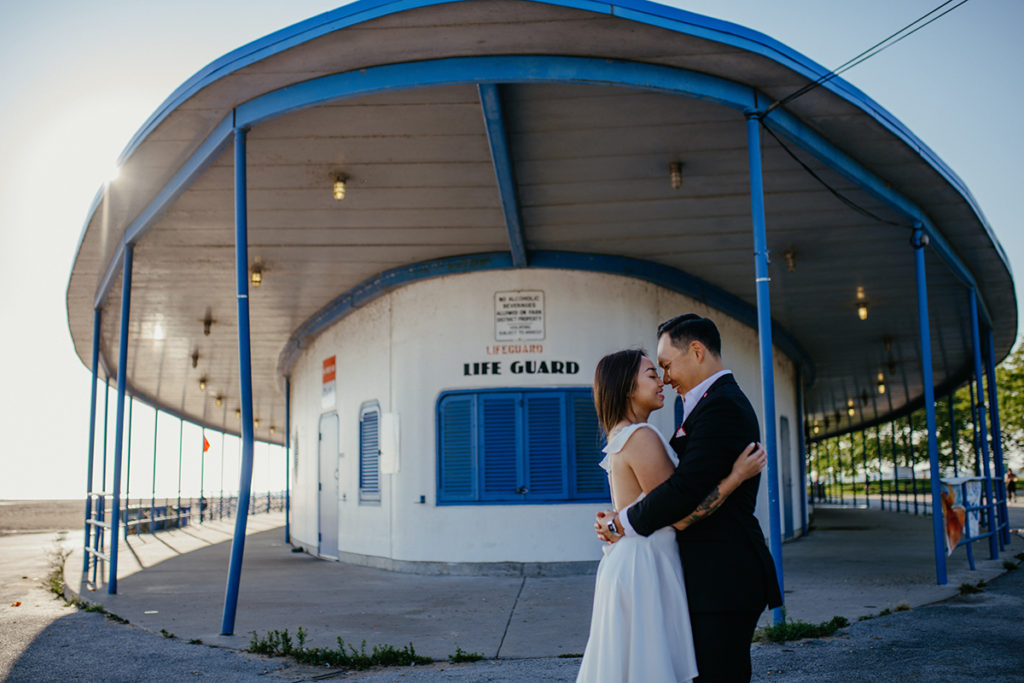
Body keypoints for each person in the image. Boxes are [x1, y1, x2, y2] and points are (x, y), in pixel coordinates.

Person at [595, 314, 783, 682]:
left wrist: (622, 522)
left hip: (724, 577)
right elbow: (675, 493)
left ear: (696, 351)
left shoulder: (723, 405)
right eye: (655, 371)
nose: (664, 377)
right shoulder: (686, 409)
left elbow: (680, 497)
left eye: (665, 366)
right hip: (695, 576)